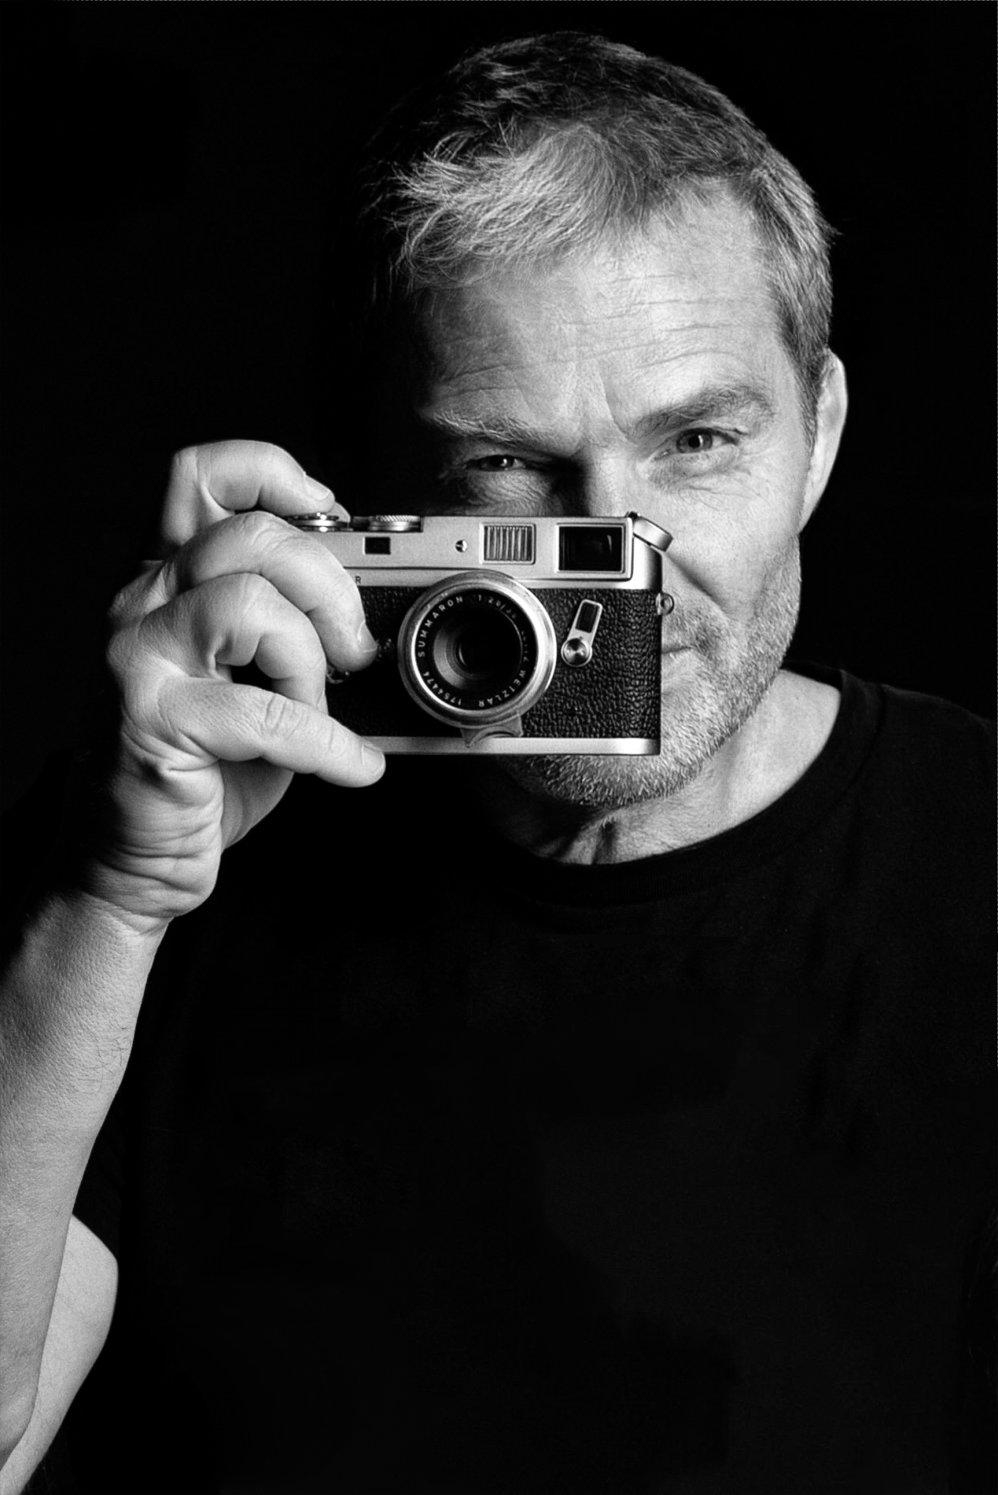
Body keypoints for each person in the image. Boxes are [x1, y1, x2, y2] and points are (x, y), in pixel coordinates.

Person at [0, 31, 992, 1495]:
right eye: (505, 467)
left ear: (820, 437)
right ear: (365, 492)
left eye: (697, 440)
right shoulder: (148, 861)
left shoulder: (971, 857)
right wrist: (107, 901)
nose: (619, 562)